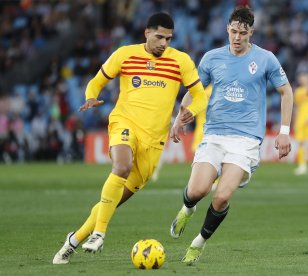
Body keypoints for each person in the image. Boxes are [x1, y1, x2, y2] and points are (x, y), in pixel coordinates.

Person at [52, 12, 207, 264]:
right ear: (146, 32)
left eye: (168, 38)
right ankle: (100, 233)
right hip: (125, 123)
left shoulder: (181, 61)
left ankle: (74, 240)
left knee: (111, 202)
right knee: (121, 166)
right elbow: (96, 81)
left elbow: (200, 95)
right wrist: (90, 97)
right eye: (159, 37)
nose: (163, 43)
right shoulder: (125, 54)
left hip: (154, 142)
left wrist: (191, 110)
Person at [168, 6, 293, 265]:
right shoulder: (212, 58)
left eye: (243, 33)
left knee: (222, 196)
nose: (237, 38)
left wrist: (284, 132)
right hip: (214, 134)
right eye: (234, 31)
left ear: (251, 33)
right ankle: (187, 209)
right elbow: (195, 90)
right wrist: (180, 117)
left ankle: (198, 242)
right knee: (197, 190)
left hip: (246, 140)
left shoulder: (266, 58)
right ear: (227, 29)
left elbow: (286, 92)